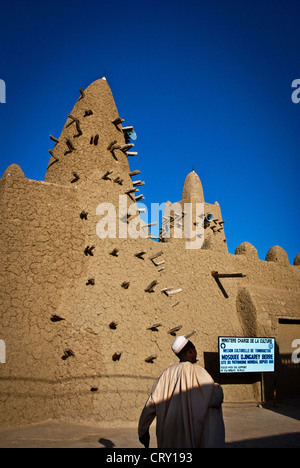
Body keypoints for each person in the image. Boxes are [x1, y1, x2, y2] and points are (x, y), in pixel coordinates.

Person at [138, 335, 225, 448]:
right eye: (194, 350)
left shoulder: (165, 374)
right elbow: (215, 398)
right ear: (190, 350)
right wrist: (217, 387)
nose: (196, 352)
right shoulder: (197, 372)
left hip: (169, 439)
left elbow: (151, 404)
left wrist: (143, 431)